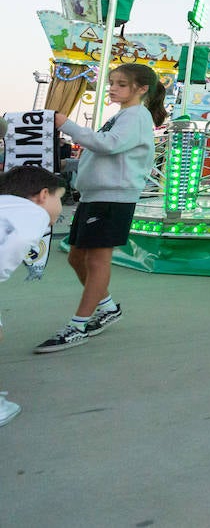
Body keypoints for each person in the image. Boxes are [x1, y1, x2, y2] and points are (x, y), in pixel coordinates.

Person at [36, 63, 166, 352]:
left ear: (141, 89)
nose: (113, 88)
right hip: (96, 196)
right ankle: (106, 307)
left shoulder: (136, 116)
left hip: (112, 198)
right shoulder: (125, 115)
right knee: (76, 258)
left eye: (121, 84)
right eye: (112, 83)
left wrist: (66, 124)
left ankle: (78, 325)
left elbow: (109, 145)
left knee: (96, 261)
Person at [0, 166, 67, 425]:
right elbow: (14, 242)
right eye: (58, 198)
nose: (59, 207)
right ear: (43, 195)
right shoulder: (33, 214)